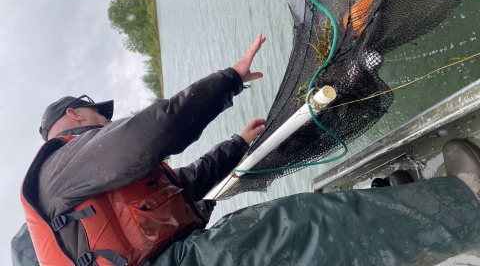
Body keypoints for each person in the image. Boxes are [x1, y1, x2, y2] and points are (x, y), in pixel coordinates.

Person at [12, 34, 480, 266]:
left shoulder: (78, 195)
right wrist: (229, 80)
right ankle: (467, 204)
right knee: (300, 227)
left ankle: (416, 212)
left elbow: (186, 184)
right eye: (98, 115)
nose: (106, 121)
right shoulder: (60, 164)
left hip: (180, 252)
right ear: (74, 116)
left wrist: (237, 144)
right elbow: (151, 134)